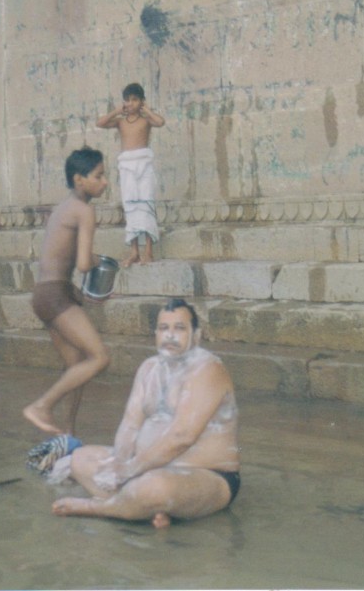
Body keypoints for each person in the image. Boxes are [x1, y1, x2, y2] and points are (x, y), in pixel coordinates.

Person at [52, 298, 240, 529]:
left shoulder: (207, 369)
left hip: (206, 477)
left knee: (155, 488)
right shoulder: (149, 368)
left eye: (179, 328)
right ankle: (143, 508)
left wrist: (129, 472)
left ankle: (101, 507)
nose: (170, 335)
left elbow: (182, 437)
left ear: (197, 335)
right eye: (164, 328)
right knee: (81, 459)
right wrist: (119, 464)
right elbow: (130, 425)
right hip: (144, 469)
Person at [23, 146, 110, 436]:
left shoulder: (62, 208)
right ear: (79, 179)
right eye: (99, 176)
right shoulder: (85, 211)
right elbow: (84, 263)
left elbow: (58, 259)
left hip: (47, 293)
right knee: (99, 358)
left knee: (76, 365)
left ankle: (68, 435)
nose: (105, 182)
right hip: (55, 296)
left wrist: (73, 288)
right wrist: (100, 261)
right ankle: (42, 406)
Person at [95, 83, 166, 267]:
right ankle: (134, 252)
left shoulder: (145, 119)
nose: (131, 103)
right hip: (127, 167)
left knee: (146, 205)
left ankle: (148, 251)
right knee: (131, 207)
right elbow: (100, 123)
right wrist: (116, 111)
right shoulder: (121, 121)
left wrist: (147, 110)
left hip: (144, 166)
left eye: (135, 99)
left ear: (141, 101)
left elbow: (160, 122)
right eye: (128, 100)